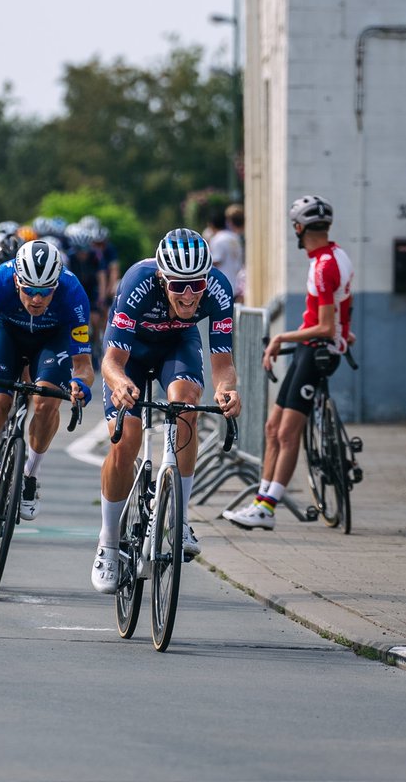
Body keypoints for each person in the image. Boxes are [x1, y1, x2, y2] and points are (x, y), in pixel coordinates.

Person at [90, 228, 241, 593]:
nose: (189, 296)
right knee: (126, 439)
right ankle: (108, 542)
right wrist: (120, 383)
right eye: (178, 286)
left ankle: (180, 517)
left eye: (196, 285)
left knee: (187, 404)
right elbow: (111, 360)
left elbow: (223, 361)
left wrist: (226, 390)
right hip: (133, 351)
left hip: (178, 344)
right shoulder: (138, 282)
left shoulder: (219, 289)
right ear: (162, 278)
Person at [0, 239, 94, 551]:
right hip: (7, 336)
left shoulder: (73, 293)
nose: (37, 299)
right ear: (17, 280)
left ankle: (29, 475)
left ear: (57, 284)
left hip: (51, 342)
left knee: (45, 400)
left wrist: (81, 383)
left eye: (45, 291)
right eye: (29, 290)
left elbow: (84, 365)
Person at [223, 195, 352, 531]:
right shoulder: (335, 256)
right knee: (271, 428)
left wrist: (280, 339)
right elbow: (340, 314)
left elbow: (326, 326)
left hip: (318, 350)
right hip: (313, 347)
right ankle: (260, 500)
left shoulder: (324, 266)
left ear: (299, 228)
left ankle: (267, 507)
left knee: (286, 432)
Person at [205, 203, 244, 297]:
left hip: (222, 286)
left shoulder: (217, 239)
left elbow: (215, 261)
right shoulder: (234, 237)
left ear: (212, 225)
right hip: (236, 283)